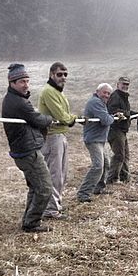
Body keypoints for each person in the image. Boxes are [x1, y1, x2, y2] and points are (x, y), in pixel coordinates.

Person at [1, 64, 55, 233]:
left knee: (35, 187)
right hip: (27, 151)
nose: (26, 85)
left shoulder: (16, 99)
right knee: (45, 188)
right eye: (22, 81)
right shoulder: (18, 102)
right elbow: (37, 120)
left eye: (27, 81)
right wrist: (49, 119)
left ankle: (29, 221)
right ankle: (32, 222)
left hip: (25, 149)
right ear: (12, 83)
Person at [37, 62, 78, 219]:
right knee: (55, 174)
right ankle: (51, 209)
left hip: (60, 136)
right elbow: (62, 116)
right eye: (60, 74)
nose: (63, 77)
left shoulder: (57, 92)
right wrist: (73, 118)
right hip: (52, 137)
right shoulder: (49, 92)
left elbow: (64, 116)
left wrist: (69, 119)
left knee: (62, 174)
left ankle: (55, 206)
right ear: (51, 74)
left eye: (65, 74)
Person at [77, 83, 123, 202]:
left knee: (106, 164)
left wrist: (112, 116)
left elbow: (106, 117)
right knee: (98, 166)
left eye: (109, 93)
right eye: (104, 92)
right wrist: (113, 117)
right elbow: (106, 120)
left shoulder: (101, 103)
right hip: (93, 140)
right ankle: (83, 193)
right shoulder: (95, 102)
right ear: (97, 91)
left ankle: (99, 188)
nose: (107, 95)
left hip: (100, 139)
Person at [106, 76, 136, 184]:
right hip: (115, 130)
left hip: (122, 130)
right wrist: (128, 114)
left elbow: (125, 111)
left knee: (125, 154)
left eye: (127, 84)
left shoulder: (124, 96)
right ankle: (112, 179)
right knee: (119, 155)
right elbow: (112, 110)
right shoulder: (115, 96)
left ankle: (125, 177)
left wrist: (134, 114)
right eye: (123, 84)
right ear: (117, 84)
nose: (125, 86)